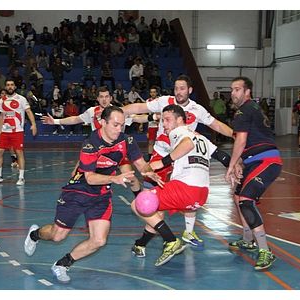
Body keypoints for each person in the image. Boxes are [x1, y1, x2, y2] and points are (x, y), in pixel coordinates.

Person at [24, 106, 161, 283]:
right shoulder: (91, 143)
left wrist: (150, 172)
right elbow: (90, 178)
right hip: (78, 190)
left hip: (101, 195)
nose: (119, 129)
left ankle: (62, 264)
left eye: (122, 125)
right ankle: (35, 234)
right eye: (115, 125)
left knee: (99, 240)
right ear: (103, 123)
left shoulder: (126, 141)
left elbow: (142, 165)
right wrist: (115, 179)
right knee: (58, 236)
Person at [122, 74, 233, 251]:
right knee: (152, 202)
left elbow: (217, 126)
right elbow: (140, 106)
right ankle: (144, 242)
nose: (178, 92)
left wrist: (236, 135)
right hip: (161, 155)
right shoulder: (166, 101)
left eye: (182, 88)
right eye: (176, 88)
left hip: (181, 158)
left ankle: (185, 234)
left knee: (179, 197)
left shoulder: (198, 109)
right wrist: (121, 111)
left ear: (190, 90)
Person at [41, 86, 143, 197]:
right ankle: (78, 201)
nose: (104, 99)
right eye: (101, 97)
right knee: (76, 174)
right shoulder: (91, 111)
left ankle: (141, 200)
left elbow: (136, 118)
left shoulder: (118, 112)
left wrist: (154, 117)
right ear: (97, 99)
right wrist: (55, 121)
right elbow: (76, 119)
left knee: (131, 178)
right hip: (96, 151)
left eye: (106, 96)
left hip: (118, 150)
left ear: (111, 98)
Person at [225, 76, 282, 271]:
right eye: (232, 89)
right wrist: (240, 161)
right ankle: (248, 240)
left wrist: (231, 166)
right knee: (238, 196)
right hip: (253, 160)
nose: (233, 93)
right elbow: (249, 141)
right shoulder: (252, 109)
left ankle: (265, 250)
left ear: (247, 91)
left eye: (237, 89)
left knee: (246, 200)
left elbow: (241, 141)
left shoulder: (244, 110)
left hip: (266, 161)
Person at [0, 79, 37, 186]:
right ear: (5, 87)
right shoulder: (2, 100)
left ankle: (21, 177)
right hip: (5, 131)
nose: (10, 87)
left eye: (12, 85)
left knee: (19, 153)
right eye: (8, 85)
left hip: (17, 131)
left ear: (15, 87)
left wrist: (33, 124)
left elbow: (28, 111)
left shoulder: (21, 99)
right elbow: (2, 116)